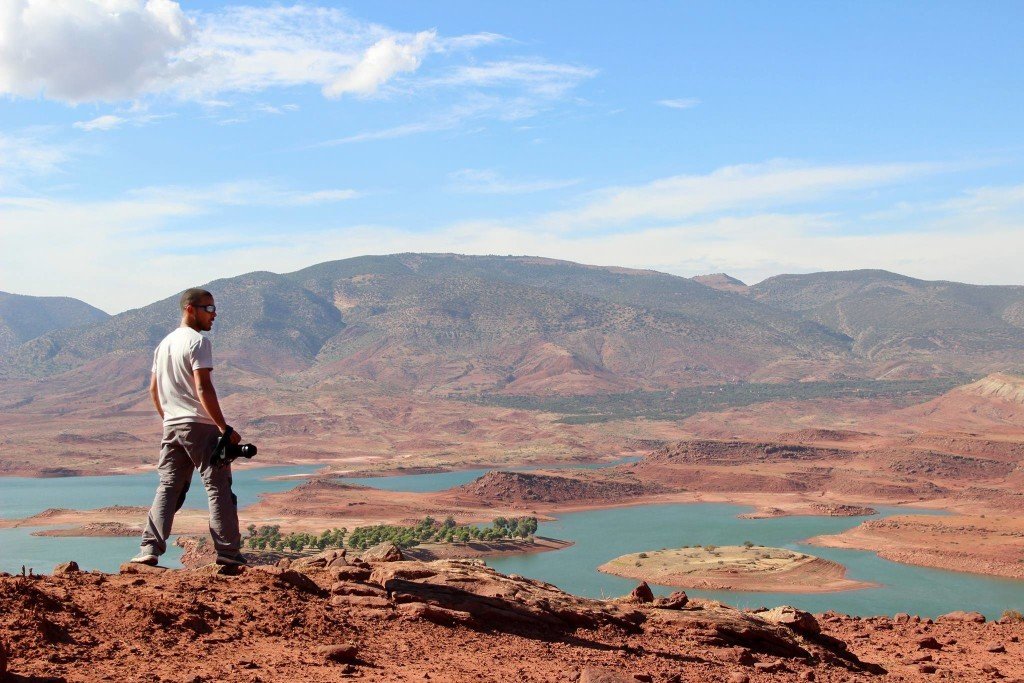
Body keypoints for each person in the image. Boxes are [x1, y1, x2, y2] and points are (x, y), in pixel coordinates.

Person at [131, 288, 246, 566]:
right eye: (208, 308)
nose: (214, 314)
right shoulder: (197, 342)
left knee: (168, 486)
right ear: (190, 309)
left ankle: (149, 549)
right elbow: (203, 386)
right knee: (218, 485)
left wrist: (168, 417)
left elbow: (153, 389)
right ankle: (228, 554)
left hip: (172, 425)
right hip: (199, 424)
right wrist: (224, 428)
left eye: (214, 308)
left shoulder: (164, 344)